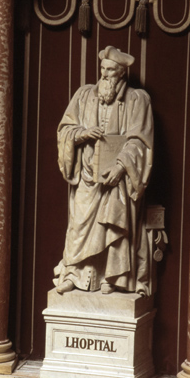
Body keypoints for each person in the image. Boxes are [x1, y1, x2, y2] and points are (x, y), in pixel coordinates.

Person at [53, 46, 154, 295]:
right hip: (87, 177)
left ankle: (113, 276)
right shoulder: (84, 95)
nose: (105, 75)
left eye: (110, 71)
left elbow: (140, 142)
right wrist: (81, 133)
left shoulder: (137, 99)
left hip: (116, 180)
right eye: (103, 70)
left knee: (113, 226)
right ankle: (74, 274)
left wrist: (121, 167)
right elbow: (64, 130)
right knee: (79, 226)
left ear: (121, 74)